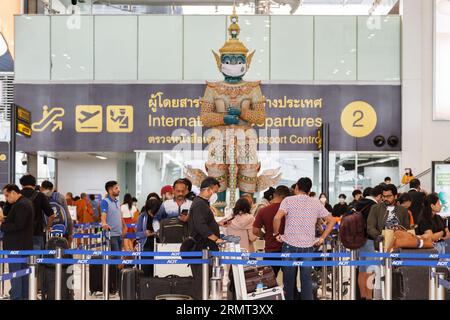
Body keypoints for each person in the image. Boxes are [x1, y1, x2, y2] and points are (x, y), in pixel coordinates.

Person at [273, 178, 336, 300]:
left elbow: (276, 218)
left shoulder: (288, 200)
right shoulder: (316, 203)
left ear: (296, 187)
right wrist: (322, 238)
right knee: (306, 281)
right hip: (308, 247)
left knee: (288, 282)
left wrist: (276, 234)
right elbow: (332, 220)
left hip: (289, 245)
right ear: (309, 190)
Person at [188, 177, 223, 299]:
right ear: (208, 190)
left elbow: (205, 222)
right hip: (201, 248)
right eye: (215, 191)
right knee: (201, 280)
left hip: (205, 248)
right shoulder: (199, 204)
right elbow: (200, 225)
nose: (215, 195)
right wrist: (215, 239)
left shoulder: (203, 204)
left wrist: (217, 224)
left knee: (205, 279)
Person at [0, 184, 34, 300]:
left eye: (7, 195)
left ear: (14, 192)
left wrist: (2, 225)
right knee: (22, 273)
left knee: (16, 273)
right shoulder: (23, 203)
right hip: (23, 244)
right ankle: (23, 296)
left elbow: (18, 225)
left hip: (16, 245)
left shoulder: (21, 205)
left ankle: (17, 297)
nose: (6, 198)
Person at [253, 185, 291, 276]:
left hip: (271, 249)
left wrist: (264, 235)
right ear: (286, 197)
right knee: (290, 281)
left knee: (269, 280)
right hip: (289, 249)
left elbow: (255, 230)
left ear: (274, 195)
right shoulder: (290, 211)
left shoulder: (263, 210)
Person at [354, 185, 383, 300]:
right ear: (379, 195)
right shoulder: (374, 206)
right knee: (370, 270)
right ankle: (369, 297)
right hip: (370, 240)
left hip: (358, 240)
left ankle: (363, 296)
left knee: (362, 270)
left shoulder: (359, 203)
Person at [12, 174, 55, 250]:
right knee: (34, 259)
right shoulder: (40, 196)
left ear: (21, 184)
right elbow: (51, 215)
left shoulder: (16, 195)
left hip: (18, 233)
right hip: (36, 233)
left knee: (18, 259)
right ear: (34, 184)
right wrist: (47, 228)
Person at [367, 184, 411, 250]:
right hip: (381, 245)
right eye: (384, 196)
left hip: (399, 245)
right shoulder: (375, 208)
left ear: (395, 196)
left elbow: (406, 228)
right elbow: (370, 227)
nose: (385, 199)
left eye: (388, 196)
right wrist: (379, 236)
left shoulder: (403, 210)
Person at [40, 180, 74, 247]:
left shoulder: (41, 197)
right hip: (62, 228)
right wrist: (70, 231)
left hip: (48, 229)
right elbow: (67, 215)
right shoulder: (60, 197)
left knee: (49, 248)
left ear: (42, 188)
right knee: (63, 247)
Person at [136, 198, 161, 277]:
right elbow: (137, 234)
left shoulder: (161, 217)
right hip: (146, 247)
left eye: (154, 213)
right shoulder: (142, 217)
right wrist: (144, 233)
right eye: (150, 212)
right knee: (145, 271)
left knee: (158, 272)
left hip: (159, 247)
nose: (152, 215)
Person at [101, 181, 127, 254]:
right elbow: (103, 215)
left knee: (119, 257)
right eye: (116, 188)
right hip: (111, 235)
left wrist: (124, 226)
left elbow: (120, 215)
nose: (119, 190)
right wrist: (104, 223)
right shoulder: (105, 202)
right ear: (110, 190)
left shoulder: (117, 201)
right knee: (115, 258)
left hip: (119, 234)